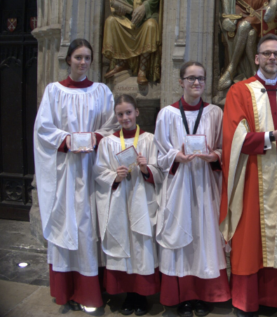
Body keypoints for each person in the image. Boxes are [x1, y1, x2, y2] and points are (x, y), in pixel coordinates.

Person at [220, 35, 277, 317]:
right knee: (251, 240)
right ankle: (247, 302)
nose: (272, 58)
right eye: (267, 53)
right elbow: (235, 138)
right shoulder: (239, 91)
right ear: (257, 58)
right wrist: (274, 135)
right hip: (253, 178)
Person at [33, 38, 118, 312]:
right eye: (78, 57)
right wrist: (68, 141)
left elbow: (111, 125)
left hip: (93, 168)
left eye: (87, 58)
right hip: (67, 171)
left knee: (90, 226)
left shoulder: (102, 91)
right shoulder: (54, 91)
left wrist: (92, 138)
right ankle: (67, 289)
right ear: (68, 59)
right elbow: (43, 129)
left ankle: (91, 290)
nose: (83, 62)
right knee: (67, 222)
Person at [154, 61, 230, 317]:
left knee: (205, 237)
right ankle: (184, 296)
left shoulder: (215, 113)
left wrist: (214, 156)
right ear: (181, 82)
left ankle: (203, 295)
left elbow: (222, 148)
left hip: (206, 185)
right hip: (179, 186)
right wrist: (177, 155)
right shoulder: (167, 114)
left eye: (200, 79)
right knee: (182, 239)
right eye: (191, 78)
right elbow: (159, 154)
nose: (196, 83)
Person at [94, 95, 162, 315]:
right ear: (116, 116)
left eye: (129, 112)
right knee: (123, 243)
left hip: (142, 202)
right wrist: (115, 176)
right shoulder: (108, 142)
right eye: (120, 114)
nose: (125, 117)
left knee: (141, 245)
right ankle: (127, 295)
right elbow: (99, 172)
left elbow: (160, 173)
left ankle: (141, 295)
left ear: (137, 113)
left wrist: (146, 168)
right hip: (120, 202)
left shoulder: (150, 140)